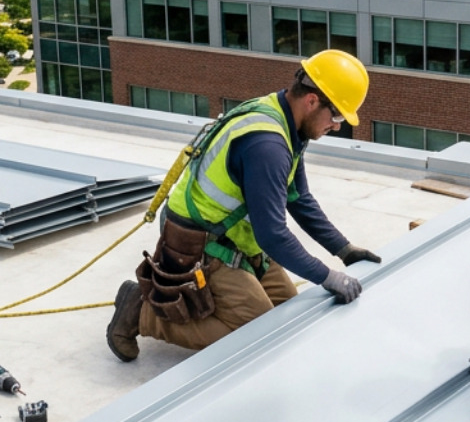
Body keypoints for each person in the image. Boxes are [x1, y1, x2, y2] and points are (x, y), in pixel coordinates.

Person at [107, 50, 380, 360]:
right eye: (337, 116)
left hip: (235, 238)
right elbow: (272, 236)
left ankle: (230, 295)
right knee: (259, 336)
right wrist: (328, 276)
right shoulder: (268, 145)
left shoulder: (285, 121)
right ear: (312, 101)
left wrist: (344, 249)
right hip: (199, 243)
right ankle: (140, 313)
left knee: (291, 314)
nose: (337, 126)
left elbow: (299, 198)